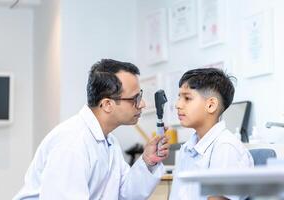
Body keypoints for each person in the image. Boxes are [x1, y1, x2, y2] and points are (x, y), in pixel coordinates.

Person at [13, 59, 170, 200]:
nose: (142, 104)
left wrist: (147, 162)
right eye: (135, 98)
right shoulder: (72, 143)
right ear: (107, 104)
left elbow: (126, 194)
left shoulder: (109, 142)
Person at [169, 68, 253, 200]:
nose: (178, 105)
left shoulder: (225, 147)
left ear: (211, 105)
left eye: (187, 98)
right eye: (179, 97)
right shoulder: (187, 148)